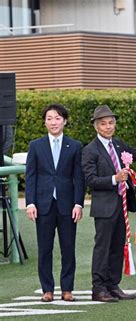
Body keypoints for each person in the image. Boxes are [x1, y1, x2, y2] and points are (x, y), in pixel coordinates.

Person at [82, 105, 136, 302]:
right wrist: (114, 178)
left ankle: (113, 285)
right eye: (103, 124)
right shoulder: (90, 151)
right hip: (104, 207)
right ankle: (98, 288)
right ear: (96, 127)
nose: (108, 127)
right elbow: (90, 180)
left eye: (111, 123)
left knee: (117, 246)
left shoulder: (119, 145)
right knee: (102, 247)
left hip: (121, 205)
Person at [25, 104, 85, 302]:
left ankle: (67, 289)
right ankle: (47, 290)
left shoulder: (75, 146)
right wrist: (30, 203)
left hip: (68, 205)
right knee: (45, 249)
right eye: (49, 118)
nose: (53, 122)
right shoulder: (35, 145)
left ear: (65, 121)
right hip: (43, 205)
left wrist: (79, 204)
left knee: (68, 248)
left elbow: (78, 178)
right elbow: (31, 176)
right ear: (45, 122)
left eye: (58, 118)